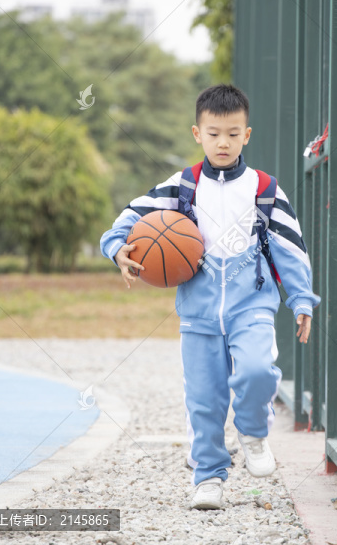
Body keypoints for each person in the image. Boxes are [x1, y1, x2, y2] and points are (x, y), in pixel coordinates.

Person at [99, 84, 320, 510]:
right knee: (204, 399)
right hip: (198, 313)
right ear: (197, 134)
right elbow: (123, 224)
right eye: (214, 133)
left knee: (256, 371)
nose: (224, 142)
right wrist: (117, 250)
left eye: (233, 134)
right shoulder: (181, 187)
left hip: (252, 304)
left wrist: (302, 300)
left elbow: (291, 250)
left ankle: (253, 432)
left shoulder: (266, 190)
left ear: (247, 135)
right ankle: (209, 477)